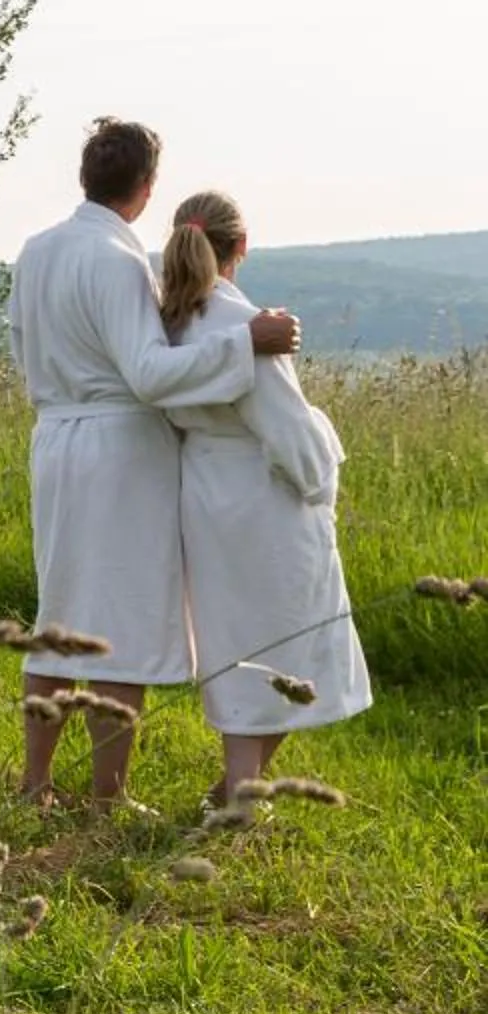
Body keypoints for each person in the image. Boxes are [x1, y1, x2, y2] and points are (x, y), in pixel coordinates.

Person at [7, 118, 300, 805]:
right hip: (118, 451)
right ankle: (107, 794)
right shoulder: (117, 261)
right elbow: (146, 372)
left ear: (89, 177)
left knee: (60, 612)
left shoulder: (36, 250)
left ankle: (35, 783)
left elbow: (25, 352)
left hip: (54, 439)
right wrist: (244, 344)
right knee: (120, 622)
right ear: (145, 188)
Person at [156, 190, 371, 799]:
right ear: (241, 248)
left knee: (234, 640)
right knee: (289, 643)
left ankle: (234, 789)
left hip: (204, 494)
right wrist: (321, 478)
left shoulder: (171, 323)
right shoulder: (244, 328)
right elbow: (289, 428)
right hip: (263, 500)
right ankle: (239, 791)